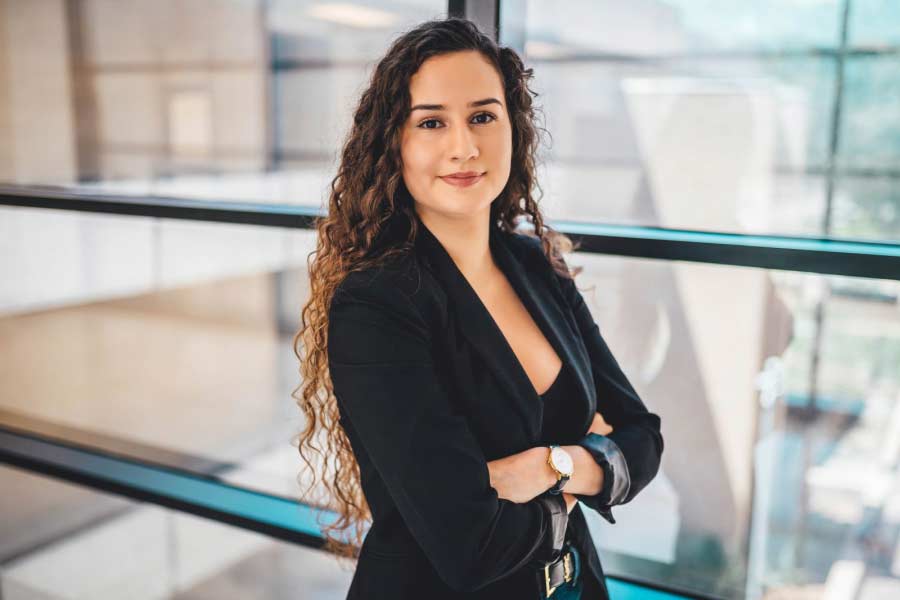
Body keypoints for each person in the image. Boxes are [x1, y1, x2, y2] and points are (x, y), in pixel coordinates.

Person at [293, 16, 664, 600]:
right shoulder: (378, 304)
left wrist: (546, 469)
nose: (463, 147)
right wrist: (587, 465)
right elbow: (468, 543)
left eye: (483, 117)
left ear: (512, 129)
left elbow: (643, 439)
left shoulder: (534, 265)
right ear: (394, 142)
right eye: (432, 122)